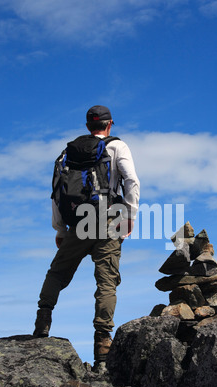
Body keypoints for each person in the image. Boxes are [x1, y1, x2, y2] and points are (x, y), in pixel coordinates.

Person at [33, 105, 140, 370]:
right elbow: (132, 181)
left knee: (57, 273)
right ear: (109, 124)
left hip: (78, 224)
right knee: (106, 283)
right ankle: (103, 353)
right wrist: (130, 216)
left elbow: (57, 192)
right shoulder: (118, 147)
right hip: (109, 222)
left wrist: (60, 229)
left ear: (87, 126)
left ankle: (42, 324)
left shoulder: (66, 153)